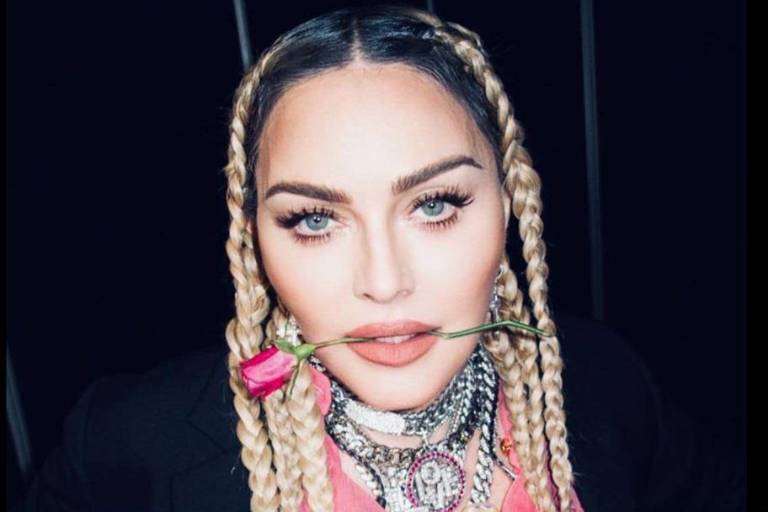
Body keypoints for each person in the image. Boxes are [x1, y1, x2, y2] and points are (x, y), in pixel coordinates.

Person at [13, 5, 744, 512]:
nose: (385, 282)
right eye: (314, 220)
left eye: (436, 205)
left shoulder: (610, 382)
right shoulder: (127, 441)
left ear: (509, 204)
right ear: (253, 239)